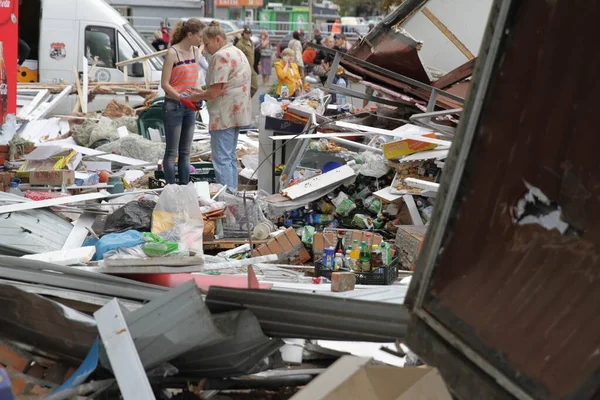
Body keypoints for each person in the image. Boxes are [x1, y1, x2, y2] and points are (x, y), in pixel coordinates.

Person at [187, 21, 252, 191]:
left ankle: (226, 199)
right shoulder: (237, 52)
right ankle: (233, 196)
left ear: (217, 39)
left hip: (224, 114)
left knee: (222, 159)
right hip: (237, 113)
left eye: (207, 44)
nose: (206, 49)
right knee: (229, 157)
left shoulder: (220, 56)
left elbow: (214, 92)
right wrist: (202, 90)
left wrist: (197, 94)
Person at [160, 18, 206, 185]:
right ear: (190, 34)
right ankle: (171, 190)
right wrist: (181, 98)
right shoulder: (173, 52)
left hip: (189, 106)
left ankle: (185, 188)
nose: (202, 39)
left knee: (186, 152)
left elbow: (194, 77)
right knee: (172, 152)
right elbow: (164, 84)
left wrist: (197, 96)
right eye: (200, 36)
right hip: (174, 105)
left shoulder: (194, 51)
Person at [235, 26, 259, 97]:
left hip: (251, 68)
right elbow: (237, 57)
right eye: (246, 33)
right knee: (243, 87)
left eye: (249, 33)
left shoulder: (251, 42)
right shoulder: (240, 44)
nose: (248, 35)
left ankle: (246, 98)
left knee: (255, 86)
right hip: (243, 69)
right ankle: (243, 99)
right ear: (243, 34)